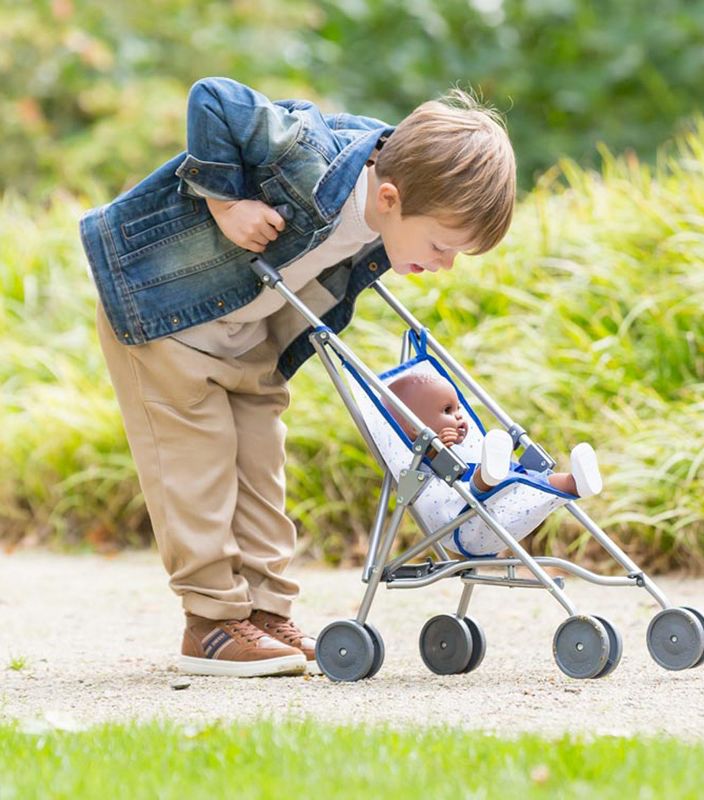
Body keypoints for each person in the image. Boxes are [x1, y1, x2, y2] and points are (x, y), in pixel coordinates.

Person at [80, 76, 517, 677]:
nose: (442, 265)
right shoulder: (308, 154)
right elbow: (214, 97)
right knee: (196, 469)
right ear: (389, 198)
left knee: (262, 470)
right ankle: (210, 622)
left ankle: (265, 613)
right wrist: (227, 203)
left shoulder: (394, 196)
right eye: (442, 246)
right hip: (164, 317)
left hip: (247, 339)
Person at [385, 373, 602, 497]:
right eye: (447, 411)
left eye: (459, 408)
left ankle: (575, 483)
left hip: (510, 483)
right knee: (481, 479)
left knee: (539, 478)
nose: (460, 416)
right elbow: (429, 479)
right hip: (472, 497)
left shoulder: (468, 445)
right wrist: (434, 449)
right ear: (415, 429)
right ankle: (489, 475)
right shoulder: (419, 458)